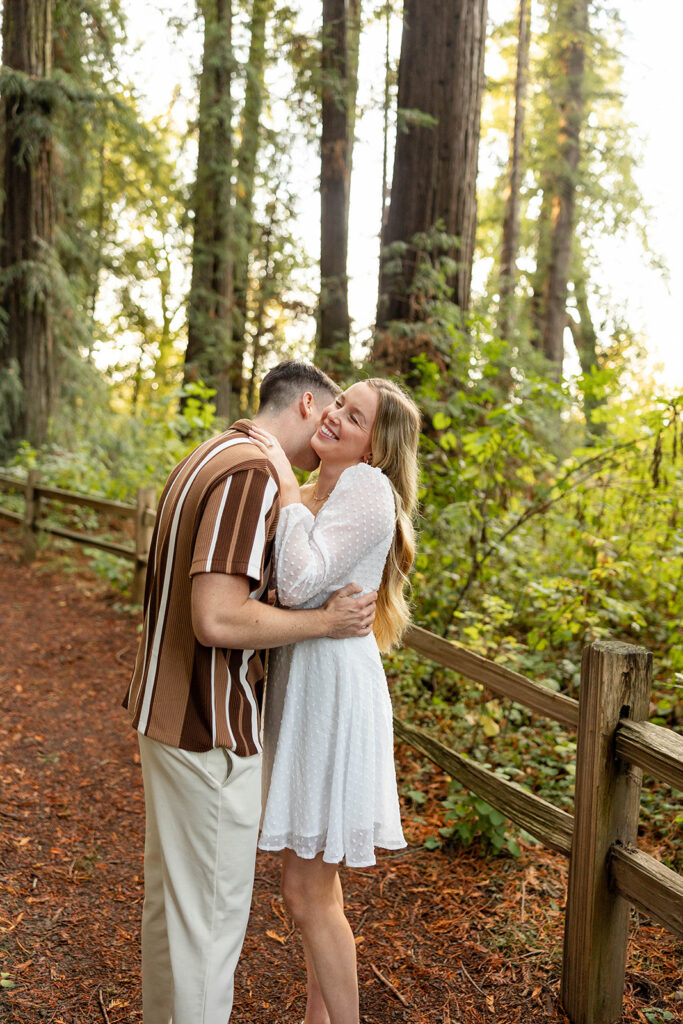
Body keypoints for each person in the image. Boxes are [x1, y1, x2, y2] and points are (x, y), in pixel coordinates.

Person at [122, 361, 379, 1024]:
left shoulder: (209, 452)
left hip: (165, 713)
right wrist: (325, 622)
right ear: (303, 405)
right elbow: (217, 617)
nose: (328, 427)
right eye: (329, 413)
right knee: (207, 934)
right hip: (208, 725)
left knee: (173, 918)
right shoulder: (251, 475)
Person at [248, 377, 421, 1024]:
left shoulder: (366, 489)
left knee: (304, 892)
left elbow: (296, 584)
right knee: (318, 888)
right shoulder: (329, 486)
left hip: (331, 695)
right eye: (339, 404)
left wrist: (287, 492)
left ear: (375, 449)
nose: (334, 417)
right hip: (308, 682)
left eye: (354, 417)